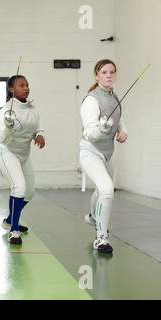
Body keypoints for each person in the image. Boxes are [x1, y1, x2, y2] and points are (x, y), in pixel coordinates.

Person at [79, 59, 128, 253]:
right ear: (96, 75)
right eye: (105, 72)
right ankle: (101, 238)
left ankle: (92, 216)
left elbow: (120, 119)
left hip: (107, 153)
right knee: (107, 189)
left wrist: (123, 131)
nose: (109, 76)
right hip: (90, 151)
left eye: (112, 72)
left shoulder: (114, 98)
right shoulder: (91, 99)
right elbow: (89, 133)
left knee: (101, 192)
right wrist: (101, 129)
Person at [0, 75, 45, 245]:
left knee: (29, 192)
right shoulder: (5, 110)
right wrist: (9, 129)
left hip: (24, 155)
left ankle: (9, 220)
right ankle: (13, 230)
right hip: (7, 152)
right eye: (21, 85)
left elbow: (39, 128)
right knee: (19, 187)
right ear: (11, 89)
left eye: (27, 85)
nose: (26, 88)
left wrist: (39, 136)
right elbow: (4, 140)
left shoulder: (33, 108)